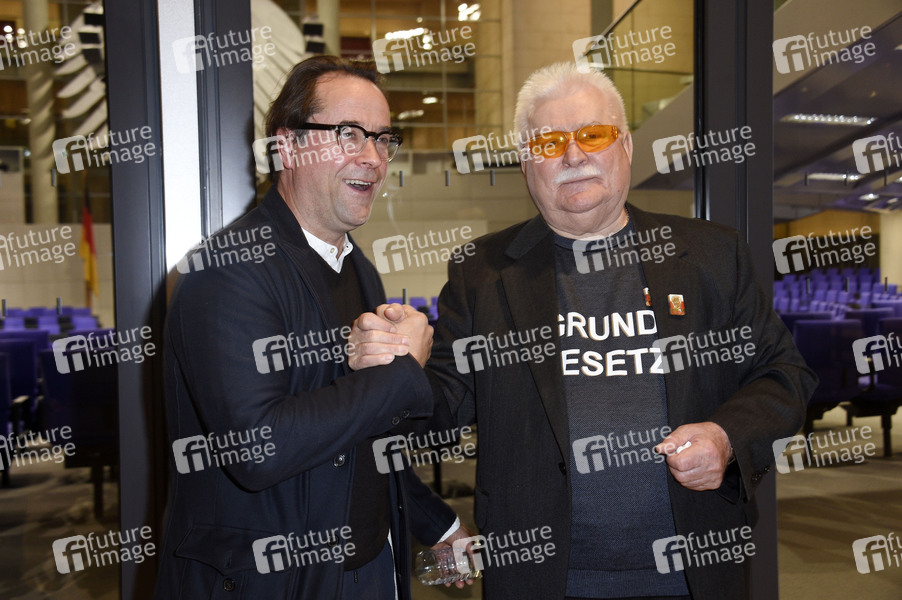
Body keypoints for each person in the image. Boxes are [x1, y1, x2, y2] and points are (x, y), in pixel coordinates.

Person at [349, 62, 817, 600]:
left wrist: (727, 438)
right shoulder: (482, 272)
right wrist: (400, 369)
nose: (573, 155)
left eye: (593, 135)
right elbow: (441, 410)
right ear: (526, 164)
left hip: (694, 574)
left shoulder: (712, 255)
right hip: (545, 580)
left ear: (626, 147)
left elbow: (784, 376)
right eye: (548, 143)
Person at [154, 56, 467, 600]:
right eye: (349, 134)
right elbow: (258, 450)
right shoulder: (228, 270)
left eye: (382, 139)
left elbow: (364, 435)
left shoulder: (358, 268)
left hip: (369, 568)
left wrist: (435, 523)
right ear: (288, 146)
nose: (372, 157)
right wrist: (402, 372)